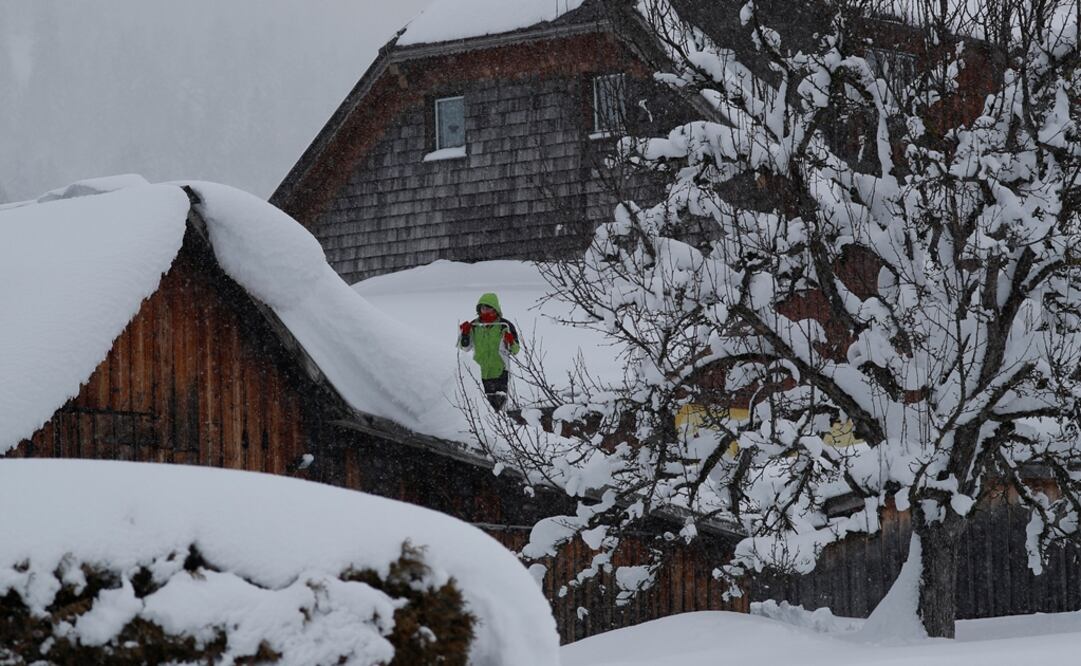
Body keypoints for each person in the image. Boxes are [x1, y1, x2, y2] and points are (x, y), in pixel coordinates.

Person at [457, 292, 520, 410]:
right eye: (482, 307)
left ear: (495, 308)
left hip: (500, 373)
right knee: (481, 408)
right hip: (479, 373)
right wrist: (464, 334)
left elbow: (515, 350)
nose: (485, 310)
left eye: (488, 307)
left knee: (498, 408)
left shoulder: (505, 325)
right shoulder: (474, 326)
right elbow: (465, 347)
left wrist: (511, 342)